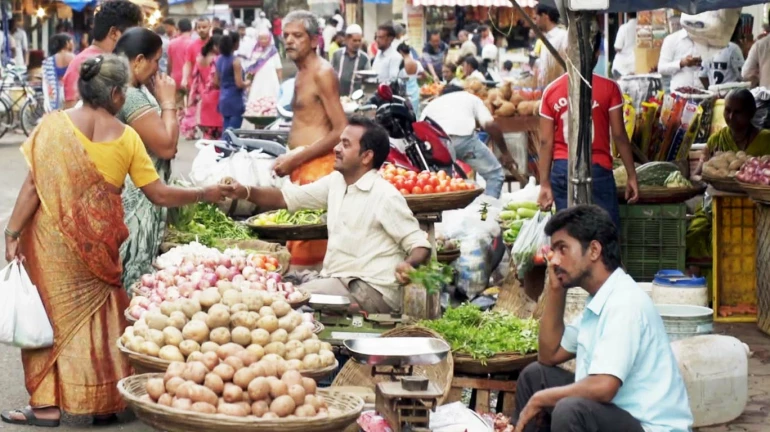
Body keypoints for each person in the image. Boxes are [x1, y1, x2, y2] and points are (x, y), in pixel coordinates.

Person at [0, 54, 227, 428]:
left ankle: (45, 406)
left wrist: (11, 234)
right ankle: (103, 402)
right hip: (99, 246)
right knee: (103, 320)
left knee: (46, 316)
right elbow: (160, 194)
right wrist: (206, 192)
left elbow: (31, 188)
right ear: (118, 95)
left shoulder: (52, 127)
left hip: (49, 243)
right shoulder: (128, 138)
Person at [513, 205, 693, 432]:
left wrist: (541, 398)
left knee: (570, 410)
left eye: (562, 249)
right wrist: (556, 290)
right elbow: (549, 355)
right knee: (535, 376)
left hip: (650, 427)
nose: (554, 260)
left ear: (594, 250)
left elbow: (604, 387)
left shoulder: (624, 303)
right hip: (616, 415)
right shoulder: (598, 301)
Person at [223, 116, 430, 313]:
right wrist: (245, 192)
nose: (336, 149)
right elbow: (285, 198)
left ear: (367, 156)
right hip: (336, 280)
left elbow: (419, 244)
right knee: (272, 283)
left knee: (282, 299)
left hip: (368, 290)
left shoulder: (385, 196)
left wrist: (409, 264)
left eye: (346, 145)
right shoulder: (336, 182)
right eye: (340, 142)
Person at [537, 32, 638, 229]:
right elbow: (619, 135)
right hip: (598, 169)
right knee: (604, 231)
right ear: (598, 53)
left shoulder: (551, 91)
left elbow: (545, 142)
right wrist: (632, 175)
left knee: (570, 232)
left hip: (562, 170)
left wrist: (544, 183)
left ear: (567, 53)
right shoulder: (609, 88)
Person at [113, 28, 182, 290]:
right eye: (156, 61)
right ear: (139, 60)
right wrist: (167, 102)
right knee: (132, 277)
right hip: (137, 200)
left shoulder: (128, 89)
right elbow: (167, 146)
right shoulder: (129, 95)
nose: (158, 68)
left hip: (139, 193)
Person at [278, 10, 347, 269]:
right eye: (286, 36)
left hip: (318, 169)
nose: (290, 41)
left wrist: (297, 156)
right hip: (302, 166)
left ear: (315, 40)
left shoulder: (322, 72)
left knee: (308, 254)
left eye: (297, 35)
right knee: (299, 242)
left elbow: (341, 129)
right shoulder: (301, 72)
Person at [421, 87, 516, 198]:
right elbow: (491, 125)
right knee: (495, 175)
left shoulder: (431, 105)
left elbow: (420, 130)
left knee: (442, 184)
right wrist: (505, 153)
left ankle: (446, 214)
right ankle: (487, 211)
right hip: (464, 142)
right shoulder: (470, 97)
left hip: (438, 145)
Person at [62, 0, 144, 108]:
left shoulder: (112, 61)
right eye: (132, 34)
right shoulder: (84, 64)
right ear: (114, 33)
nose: (135, 41)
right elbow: (72, 116)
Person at [699, 89, 770, 171]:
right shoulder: (716, 140)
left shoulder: (766, 140)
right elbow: (698, 174)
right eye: (728, 110)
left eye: (737, 112)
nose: (731, 117)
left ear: (751, 112)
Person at [243, 29, 282, 125]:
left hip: (272, 82)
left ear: (269, 39)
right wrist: (248, 82)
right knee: (256, 105)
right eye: (261, 38)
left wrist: (280, 83)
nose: (263, 41)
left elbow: (279, 68)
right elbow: (251, 70)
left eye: (265, 38)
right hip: (257, 83)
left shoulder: (273, 52)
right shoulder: (254, 52)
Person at [181, 18, 211, 139]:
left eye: (204, 27)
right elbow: (188, 63)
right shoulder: (192, 46)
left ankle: (208, 132)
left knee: (209, 110)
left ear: (210, 27)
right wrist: (184, 78)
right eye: (199, 27)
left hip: (212, 84)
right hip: (196, 85)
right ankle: (190, 130)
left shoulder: (215, 44)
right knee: (192, 108)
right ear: (195, 29)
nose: (201, 30)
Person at [215, 33, 250, 131]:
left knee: (226, 128)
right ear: (235, 44)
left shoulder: (219, 59)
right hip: (235, 100)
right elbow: (239, 84)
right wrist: (247, 82)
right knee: (233, 131)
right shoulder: (235, 61)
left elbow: (216, 82)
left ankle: (221, 146)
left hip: (223, 98)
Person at [192, 35, 223, 139]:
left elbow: (195, 79)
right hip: (216, 96)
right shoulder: (216, 59)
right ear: (215, 46)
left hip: (204, 97)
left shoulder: (200, 59)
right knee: (218, 135)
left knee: (208, 135)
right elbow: (215, 81)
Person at [700, 23, 745, 88]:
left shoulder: (709, 48)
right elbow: (743, 76)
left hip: (714, 94)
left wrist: (712, 89)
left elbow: (702, 76)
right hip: (730, 95)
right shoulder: (734, 48)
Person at [533, 5, 567, 88]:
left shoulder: (562, 36)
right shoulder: (546, 38)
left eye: (536, 18)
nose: (535, 22)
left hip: (558, 90)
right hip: (545, 90)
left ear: (544, 16)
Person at [332, 24, 369, 97]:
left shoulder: (364, 58)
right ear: (346, 39)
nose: (357, 43)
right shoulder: (337, 55)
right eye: (354, 41)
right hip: (337, 98)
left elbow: (368, 80)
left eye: (359, 41)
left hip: (356, 100)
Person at [41, 33, 74, 111]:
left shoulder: (49, 60)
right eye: (72, 41)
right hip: (68, 94)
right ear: (67, 43)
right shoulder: (72, 57)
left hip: (54, 95)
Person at [397, 43, 422, 119]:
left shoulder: (401, 64)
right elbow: (422, 75)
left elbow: (400, 81)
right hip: (416, 91)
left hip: (405, 93)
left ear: (400, 52)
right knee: (416, 114)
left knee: (407, 115)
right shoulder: (416, 63)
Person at [612, 13, 636, 79]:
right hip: (635, 66)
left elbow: (618, 47)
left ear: (628, 15)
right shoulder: (642, 28)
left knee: (620, 88)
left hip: (621, 67)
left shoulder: (623, 28)